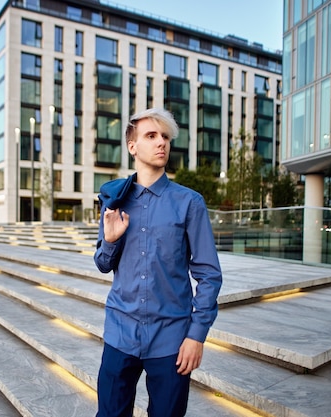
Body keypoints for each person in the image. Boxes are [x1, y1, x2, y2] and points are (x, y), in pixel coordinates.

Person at [94, 108, 223, 417]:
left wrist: (196, 335)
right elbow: (101, 262)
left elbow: (209, 274)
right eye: (151, 136)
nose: (161, 142)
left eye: (165, 136)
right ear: (132, 146)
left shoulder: (189, 202)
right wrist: (110, 241)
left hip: (172, 340)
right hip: (120, 333)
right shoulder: (115, 200)